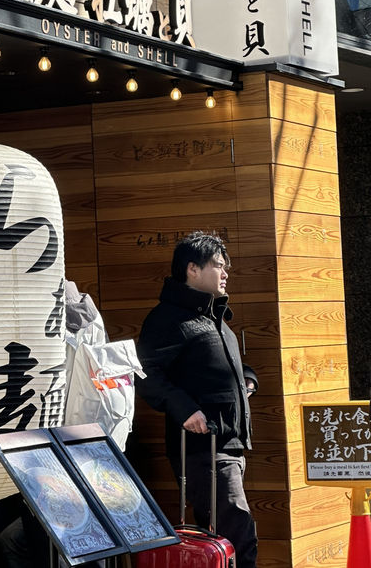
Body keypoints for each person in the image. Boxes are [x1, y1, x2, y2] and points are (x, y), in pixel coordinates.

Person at [136, 231, 258, 568]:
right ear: (192, 269)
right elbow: (144, 373)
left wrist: (247, 379)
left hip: (229, 444)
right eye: (218, 265)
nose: (225, 273)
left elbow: (218, 367)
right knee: (238, 534)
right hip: (204, 450)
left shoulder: (210, 316)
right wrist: (185, 408)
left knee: (225, 539)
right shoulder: (169, 318)